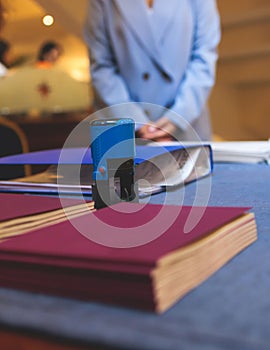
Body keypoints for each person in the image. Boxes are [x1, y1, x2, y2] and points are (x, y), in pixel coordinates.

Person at [84, 0, 221, 141]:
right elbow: (101, 65)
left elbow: (204, 57)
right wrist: (136, 121)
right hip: (125, 129)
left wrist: (178, 117)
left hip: (186, 124)